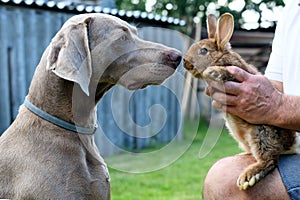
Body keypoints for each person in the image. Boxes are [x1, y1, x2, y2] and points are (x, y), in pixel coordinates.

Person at [203, 1, 300, 199]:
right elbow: (276, 87)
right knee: (222, 176)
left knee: (226, 184)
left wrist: (278, 106)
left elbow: (276, 101)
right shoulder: (292, 9)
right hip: (294, 148)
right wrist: (244, 96)